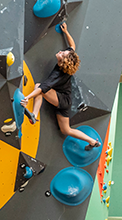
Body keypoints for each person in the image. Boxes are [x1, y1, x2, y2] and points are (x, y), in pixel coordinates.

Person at [20, 22, 101, 150]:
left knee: (38, 87)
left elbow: (42, 89)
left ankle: (34, 115)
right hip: (65, 99)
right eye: (64, 52)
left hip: (62, 99)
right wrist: (66, 32)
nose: (61, 52)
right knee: (66, 130)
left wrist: (27, 98)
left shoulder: (58, 74)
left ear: (62, 62)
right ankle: (92, 141)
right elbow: (72, 46)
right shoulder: (68, 58)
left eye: (62, 54)